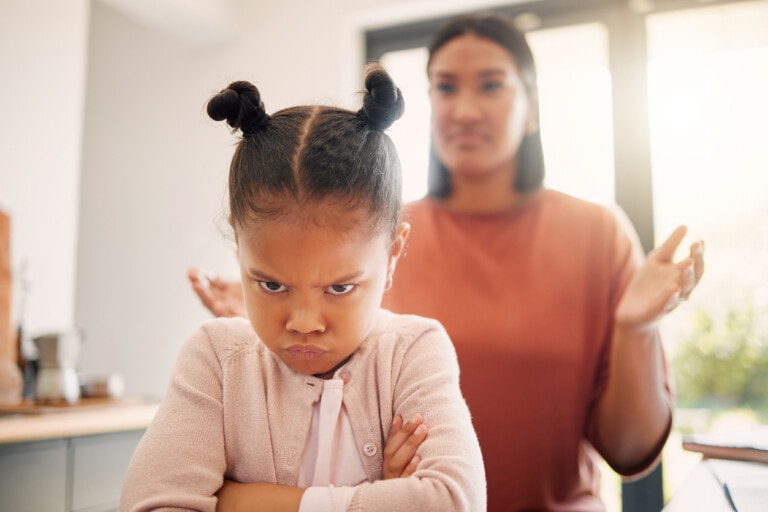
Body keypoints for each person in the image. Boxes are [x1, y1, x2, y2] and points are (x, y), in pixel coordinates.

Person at [188, 12, 706, 511]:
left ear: (533, 108)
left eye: (491, 85)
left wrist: (635, 328)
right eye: (445, 87)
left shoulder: (597, 234)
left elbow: (630, 451)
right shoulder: (364, 239)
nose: (463, 109)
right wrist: (263, 326)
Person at [121, 64, 486, 512]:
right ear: (239, 245)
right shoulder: (216, 359)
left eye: (339, 288)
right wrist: (381, 498)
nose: (304, 323)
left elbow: (453, 502)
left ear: (393, 254)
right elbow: (152, 505)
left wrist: (234, 500)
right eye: (272, 284)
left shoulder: (414, 351)